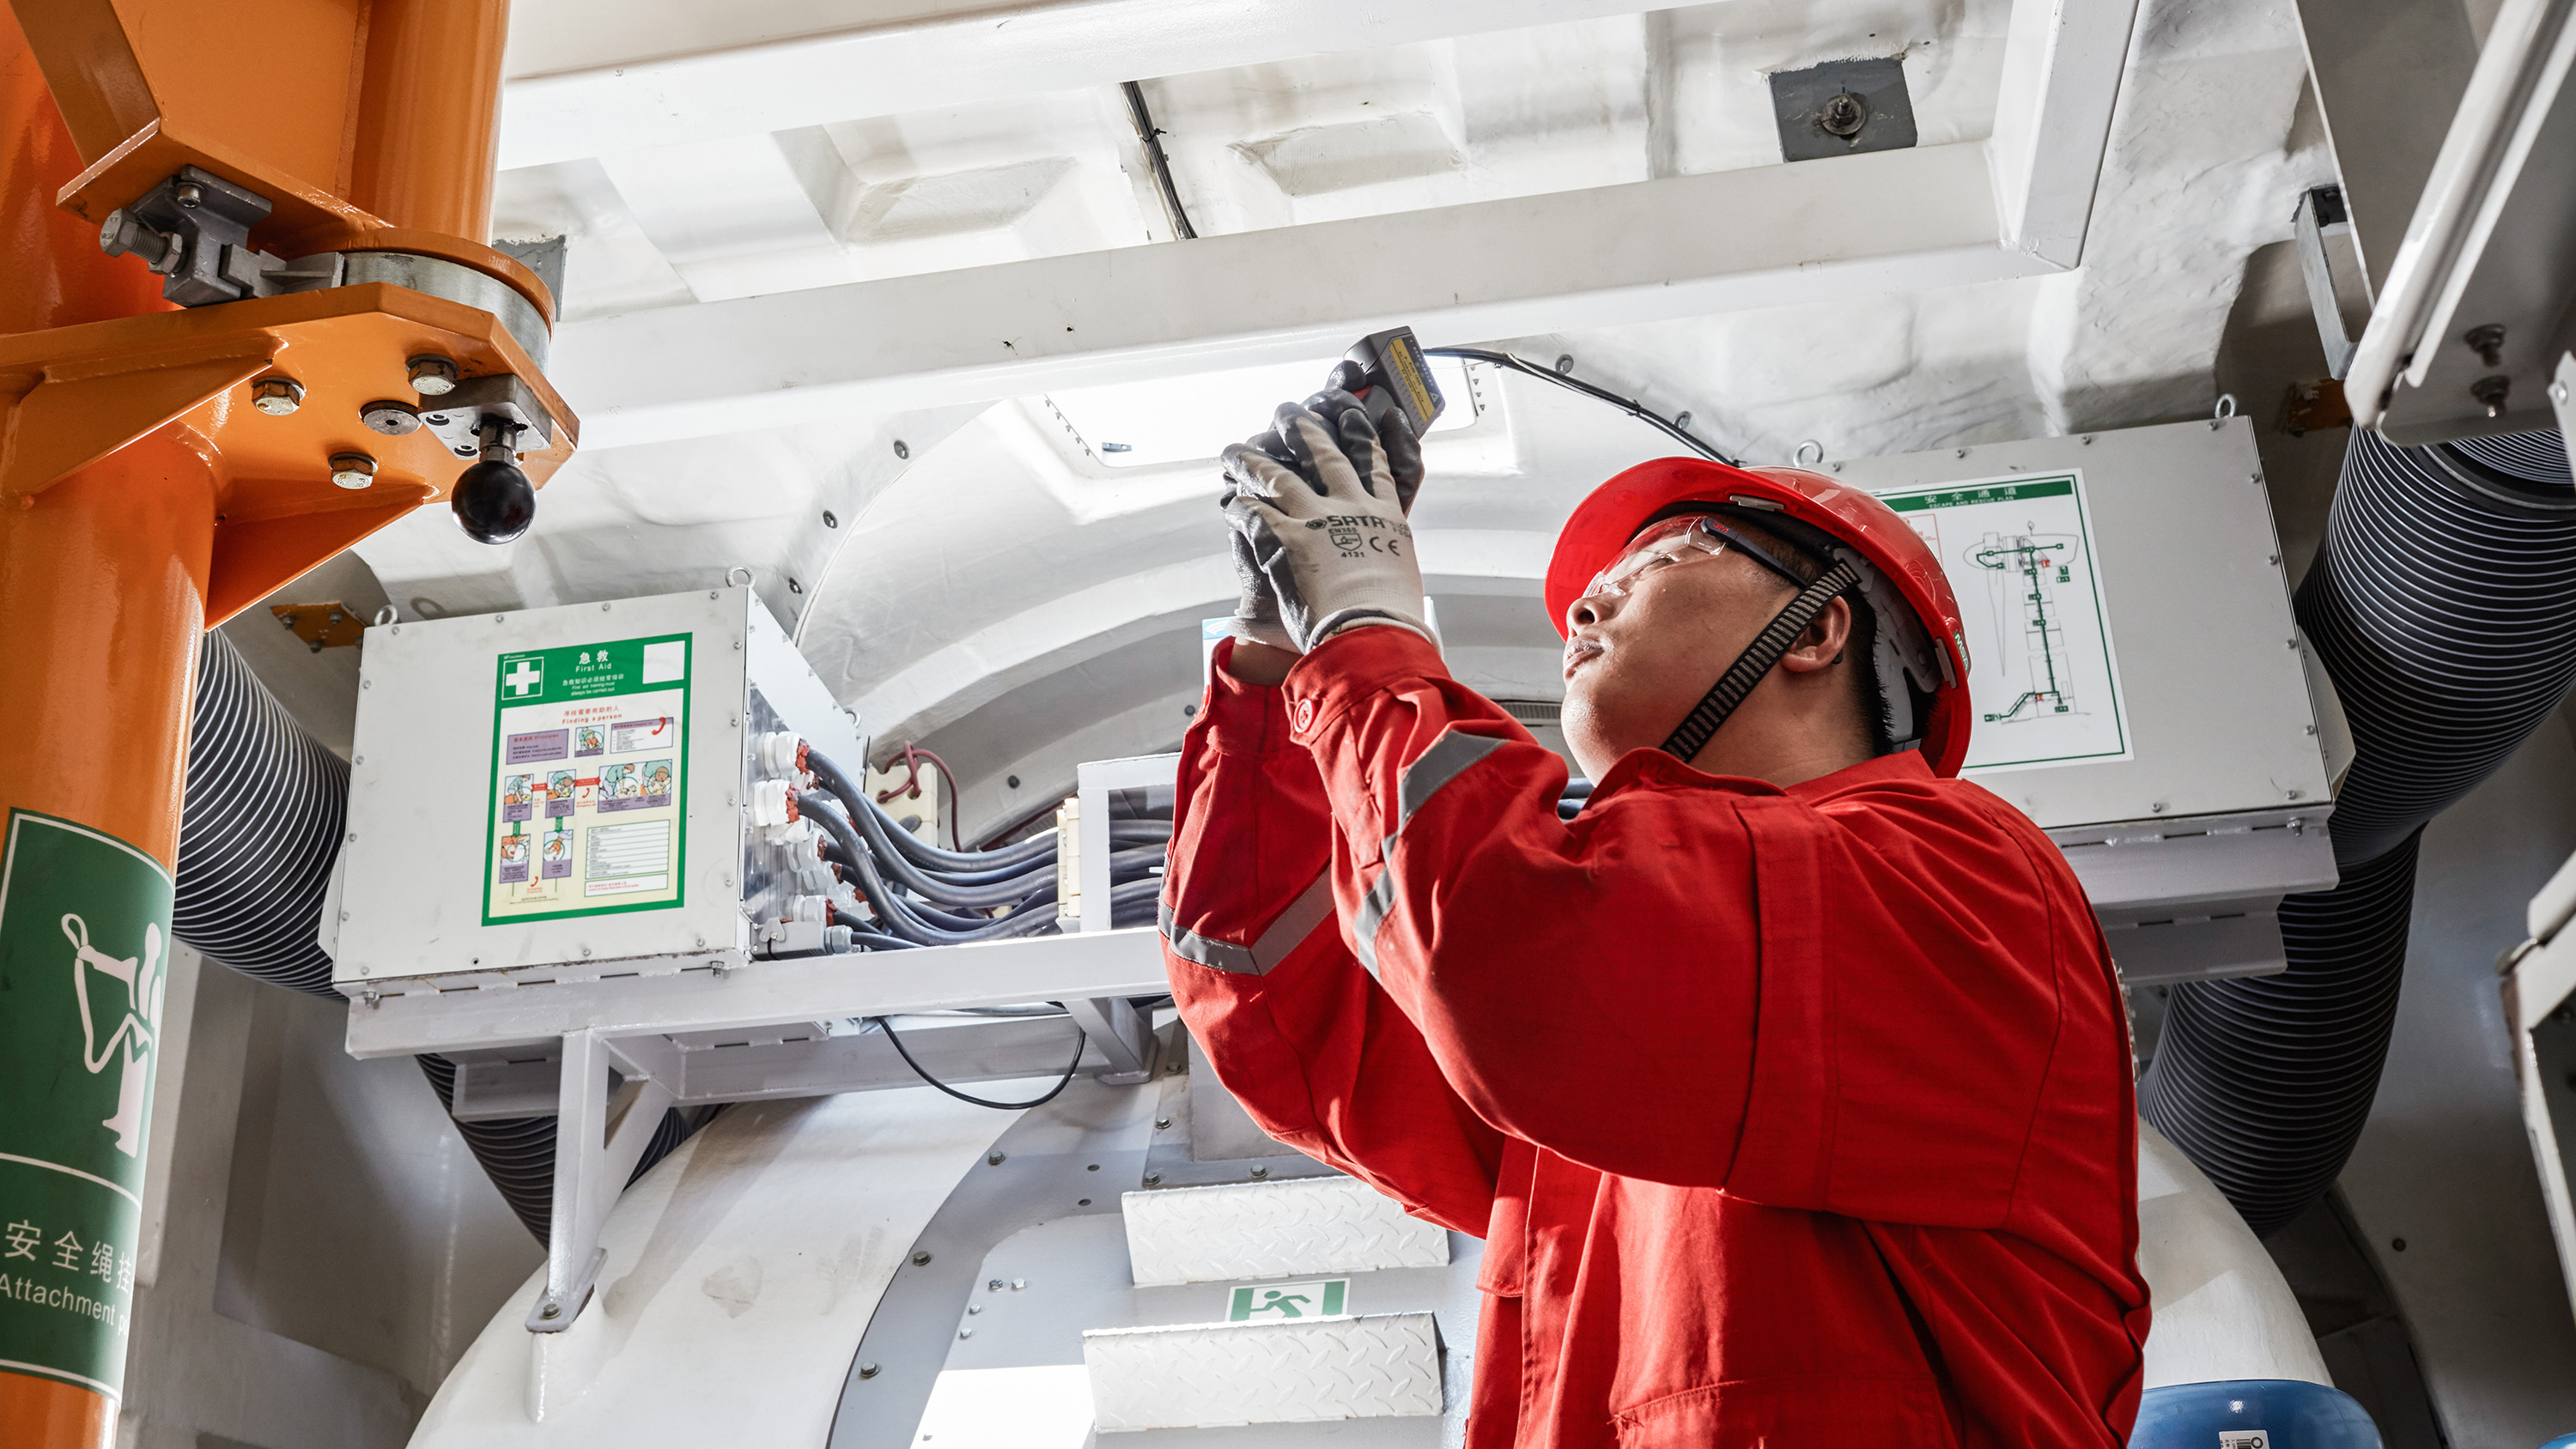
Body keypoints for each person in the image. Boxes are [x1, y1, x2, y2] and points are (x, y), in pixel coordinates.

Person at [1157, 385, 2148, 1448]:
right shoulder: (1620, 1046)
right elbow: (1282, 1006)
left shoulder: (1958, 871)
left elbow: (1504, 948)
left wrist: (1364, 632)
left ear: (1816, 629)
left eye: (1657, 562)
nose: (1583, 612)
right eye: (1586, 598)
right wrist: (1274, 662)